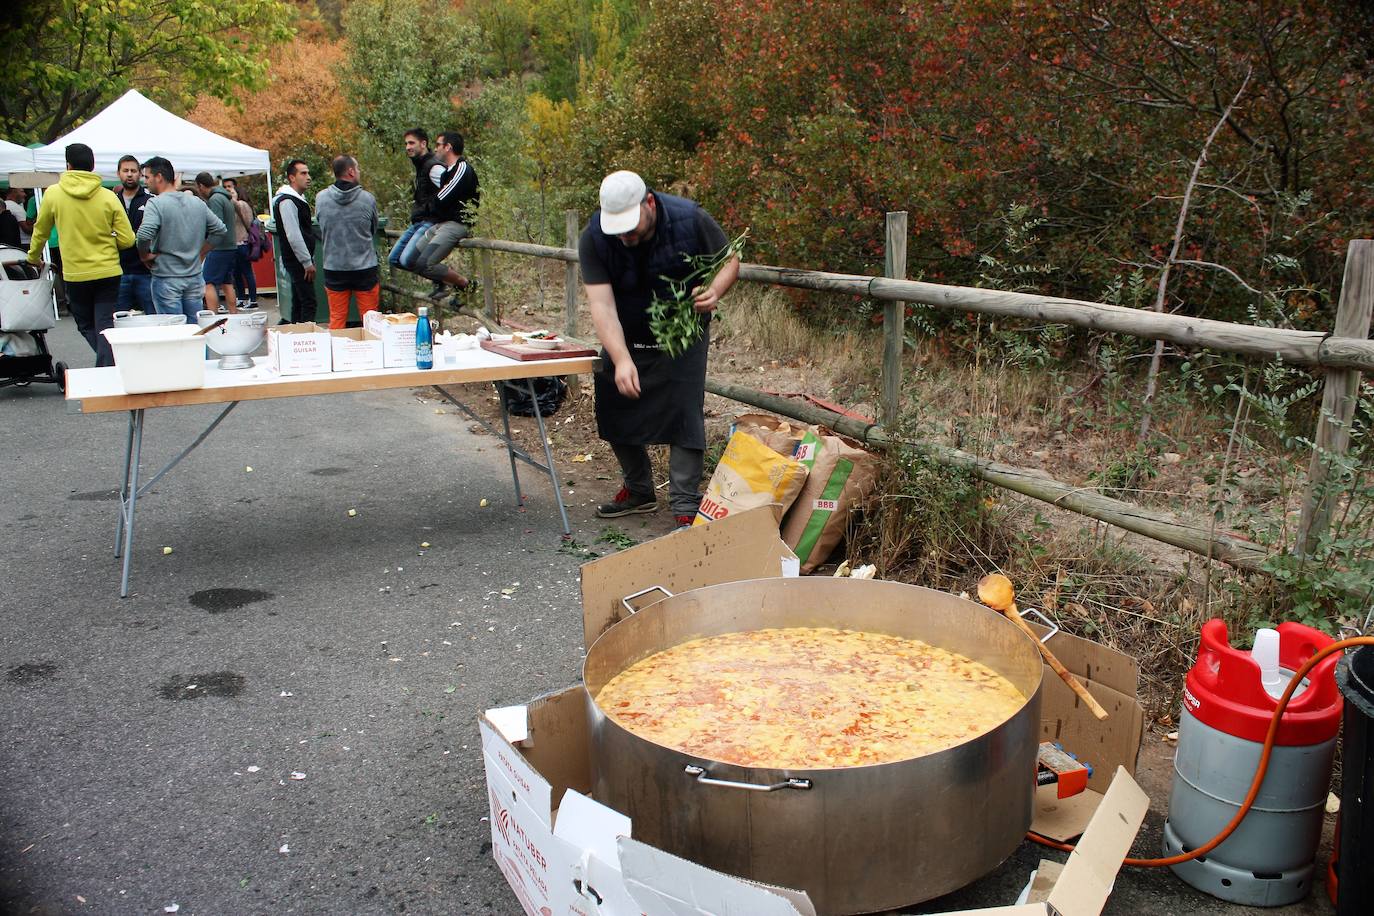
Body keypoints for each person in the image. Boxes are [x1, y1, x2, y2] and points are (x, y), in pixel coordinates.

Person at [579, 170, 740, 528]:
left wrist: (715, 290)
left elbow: (729, 260)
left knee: (683, 409)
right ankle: (639, 491)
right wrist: (620, 360)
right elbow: (601, 305)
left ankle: (684, 503)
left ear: (649, 203)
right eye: (617, 228)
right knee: (614, 403)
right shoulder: (595, 236)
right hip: (626, 330)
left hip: (681, 332)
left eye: (630, 226)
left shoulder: (690, 218)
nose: (624, 235)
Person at [26, 143, 134, 367]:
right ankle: (112, 362)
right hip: (108, 271)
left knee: (85, 324)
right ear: (92, 166)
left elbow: (41, 230)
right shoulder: (108, 197)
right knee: (105, 323)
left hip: (76, 274)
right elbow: (127, 240)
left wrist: (33, 257)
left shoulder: (53, 194)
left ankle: (109, 365)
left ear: (68, 165)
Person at [136, 157, 228, 321]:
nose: (145, 182)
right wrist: (201, 252)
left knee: (174, 333)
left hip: (166, 277)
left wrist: (144, 255)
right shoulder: (197, 203)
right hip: (193, 276)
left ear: (159, 177)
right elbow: (220, 230)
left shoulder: (156, 204)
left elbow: (144, 234)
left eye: (147, 177)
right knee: (196, 331)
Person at [315, 155, 380, 329]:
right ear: (350, 171)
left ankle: (337, 351)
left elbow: (321, 226)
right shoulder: (367, 199)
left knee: (336, 318)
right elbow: (372, 228)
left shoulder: (321, 198)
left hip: (334, 267)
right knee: (370, 320)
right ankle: (372, 351)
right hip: (364, 267)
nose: (358, 171)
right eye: (357, 168)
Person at [410, 130, 478, 299]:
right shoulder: (448, 171)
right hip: (441, 223)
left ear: (448, 147)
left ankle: (465, 284)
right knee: (411, 259)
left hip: (457, 224)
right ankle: (448, 284)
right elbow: (437, 199)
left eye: (438, 145)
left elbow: (441, 198)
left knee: (426, 264)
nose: (436, 149)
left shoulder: (462, 168)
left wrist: (427, 208)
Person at [388, 128, 443, 273]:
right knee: (394, 259)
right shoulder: (420, 166)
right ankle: (442, 281)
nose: (408, 147)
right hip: (419, 220)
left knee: (407, 260)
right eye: (406, 144)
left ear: (423, 144)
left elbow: (453, 191)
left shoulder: (434, 167)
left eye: (412, 143)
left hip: (431, 221)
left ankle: (457, 282)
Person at [271, 159, 317, 324]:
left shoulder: (296, 199)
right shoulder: (288, 201)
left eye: (308, 173)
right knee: (308, 302)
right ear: (292, 177)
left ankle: (290, 335)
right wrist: (306, 262)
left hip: (299, 259)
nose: (308, 177)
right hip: (297, 260)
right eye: (303, 173)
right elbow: (293, 234)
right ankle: (304, 338)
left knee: (299, 301)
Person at [114, 154, 153, 314]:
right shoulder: (112, 201)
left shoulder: (150, 200)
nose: (129, 174)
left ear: (140, 174)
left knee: (154, 318)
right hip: (118, 270)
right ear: (119, 174)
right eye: (125, 170)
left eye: (133, 170)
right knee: (119, 319)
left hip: (145, 270)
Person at [195, 172, 239, 314]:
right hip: (231, 246)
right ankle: (233, 314)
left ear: (201, 186)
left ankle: (212, 316)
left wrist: (205, 248)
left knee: (208, 283)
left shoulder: (215, 199)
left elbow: (216, 227)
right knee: (227, 283)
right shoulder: (226, 198)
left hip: (219, 247)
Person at [227, 185, 259, 309]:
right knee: (237, 273)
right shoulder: (236, 205)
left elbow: (248, 221)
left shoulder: (241, 204)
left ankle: (252, 299)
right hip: (236, 243)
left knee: (247, 272)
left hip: (243, 242)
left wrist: (230, 198)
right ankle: (241, 298)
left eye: (231, 191)